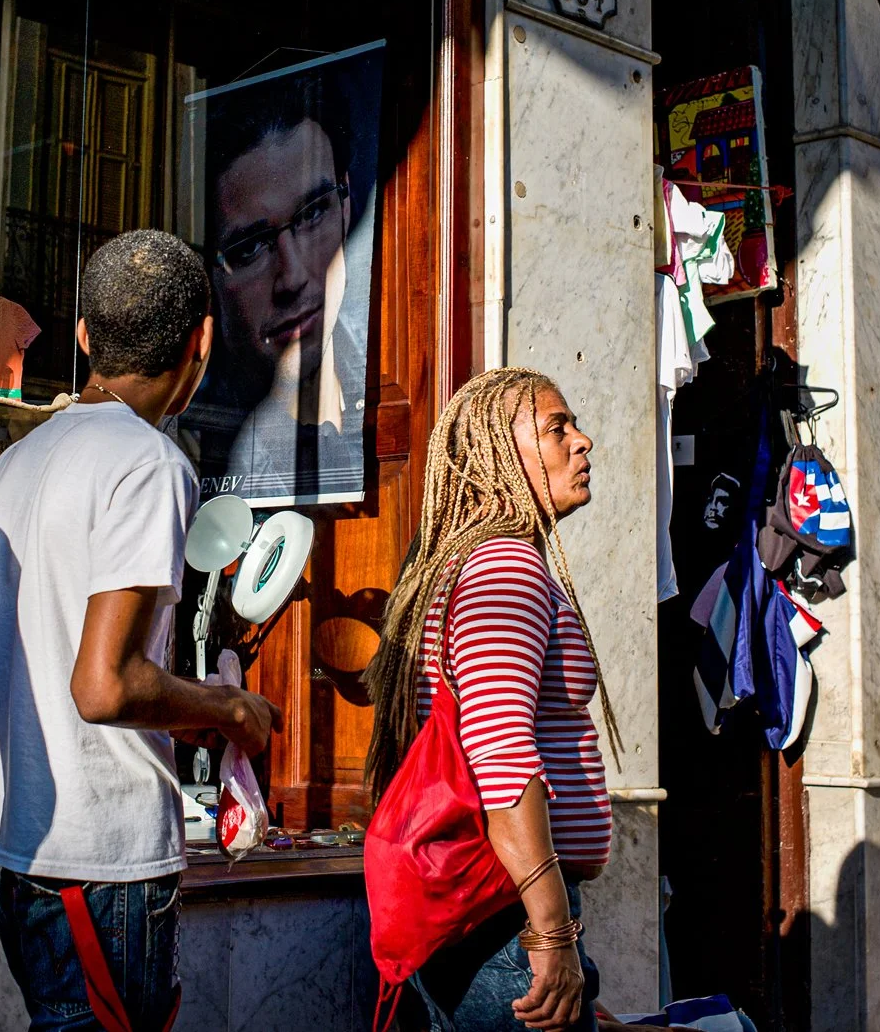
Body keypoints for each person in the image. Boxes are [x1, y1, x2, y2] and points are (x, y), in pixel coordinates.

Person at [0, 228, 283, 1031]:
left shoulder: (18, 459)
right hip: (100, 857)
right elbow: (104, 685)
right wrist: (229, 708)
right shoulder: (151, 463)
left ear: (85, 337)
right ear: (201, 342)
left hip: (11, 847)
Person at [358, 366, 628, 1032]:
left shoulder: (461, 561)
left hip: (489, 919)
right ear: (498, 453)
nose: (583, 441)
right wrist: (552, 933)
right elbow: (502, 759)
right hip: (509, 924)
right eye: (557, 429)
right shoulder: (505, 564)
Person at [202, 70, 365, 502]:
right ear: (211, 276)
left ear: (346, 203)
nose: (292, 277)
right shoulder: (208, 443)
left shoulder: (385, 370)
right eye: (250, 248)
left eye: (312, 214)